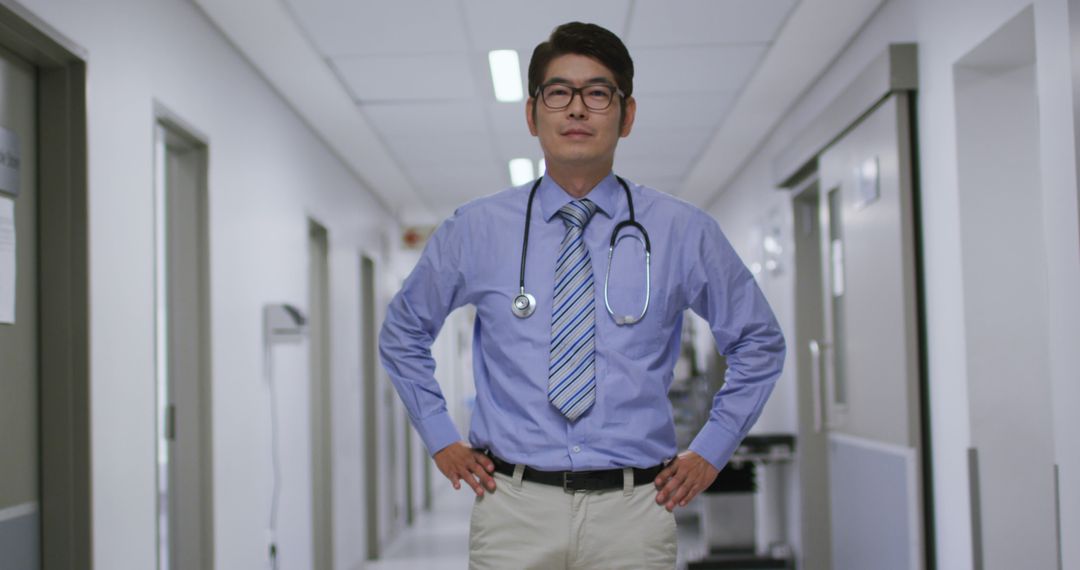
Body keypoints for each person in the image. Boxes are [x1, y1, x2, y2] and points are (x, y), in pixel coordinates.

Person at [379, 21, 785, 570]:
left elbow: (759, 342)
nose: (576, 109)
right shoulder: (475, 230)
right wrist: (439, 435)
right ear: (532, 113)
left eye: (597, 93)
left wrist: (713, 449)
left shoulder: (683, 232)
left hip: (636, 510)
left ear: (627, 114)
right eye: (558, 93)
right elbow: (402, 333)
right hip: (512, 510)